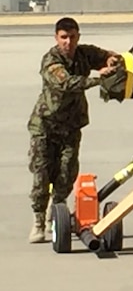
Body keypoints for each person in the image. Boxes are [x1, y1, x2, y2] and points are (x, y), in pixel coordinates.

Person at [27, 17, 121, 243]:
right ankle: (38, 222)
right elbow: (66, 83)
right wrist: (98, 79)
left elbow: (108, 56)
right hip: (45, 126)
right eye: (64, 37)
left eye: (72, 37)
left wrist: (112, 61)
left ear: (78, 36)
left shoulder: (83, 54)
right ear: (56, 38)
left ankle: (55, 214)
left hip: (71, 126)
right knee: (42, 174)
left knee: (67, 173)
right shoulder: (51, 60)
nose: (68, 42)